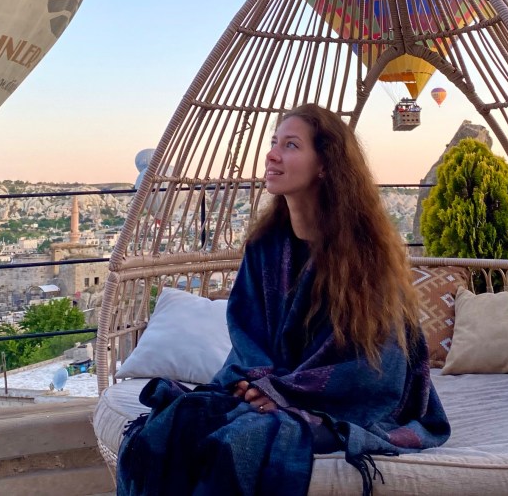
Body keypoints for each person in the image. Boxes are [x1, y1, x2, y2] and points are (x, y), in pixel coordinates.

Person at [116, 104, 449, 495]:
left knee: (242, 439)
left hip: (344, 402)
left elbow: (379, 364)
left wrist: (283, 394)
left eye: (290, 145)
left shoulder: (365, 256)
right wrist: (260, 384)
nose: (272, 154)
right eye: (274, 143)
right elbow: (247, 334)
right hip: (274, 388)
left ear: (325, 165)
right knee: (179, 418)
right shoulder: (265, 247)